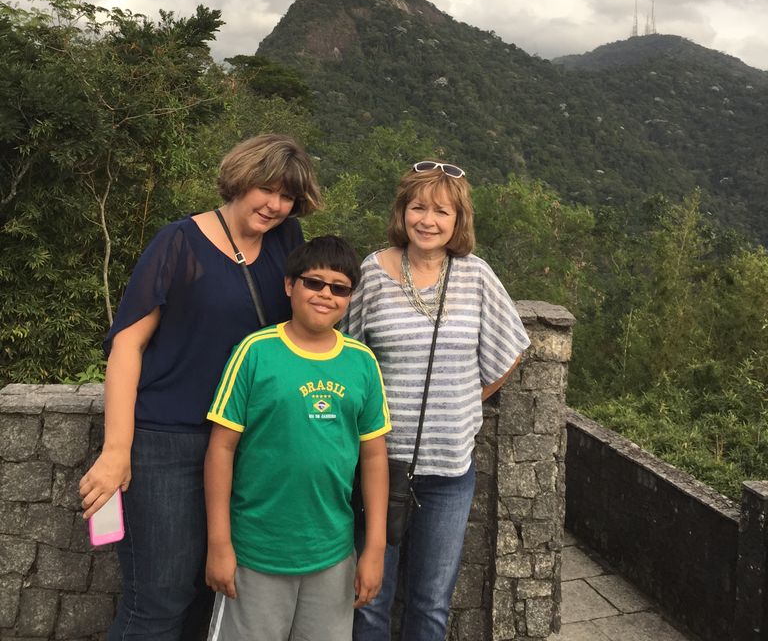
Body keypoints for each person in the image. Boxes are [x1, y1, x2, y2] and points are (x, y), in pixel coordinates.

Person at [78, 134, 322, 641]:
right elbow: (127, 345)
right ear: (241, 178)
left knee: (214, 594)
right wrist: (117, 450)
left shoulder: (287, 241)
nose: (275, 205)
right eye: (267, 189)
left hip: (247, 444)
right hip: (170, 442)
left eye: (287, 197)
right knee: (158, 600)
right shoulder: (178, 242)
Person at [345, 160, 531, 641]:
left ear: (458, 220)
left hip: (449, 471)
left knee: (430, 605)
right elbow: (343, 355)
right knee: (368, 600)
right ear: (402, 211)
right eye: (418, 207)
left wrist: (470, 399)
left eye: (442, 211)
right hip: (379, 465)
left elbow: (511, 348)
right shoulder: (372, 272)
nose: (428, 220)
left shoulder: (477, 276)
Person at [204, 235, 391, 641]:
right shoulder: (255, 352)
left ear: (350, 298)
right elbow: (221, 448)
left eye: (339, 288)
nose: (326, 295)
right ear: (290, 285)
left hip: (332, 555)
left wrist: (375, 548)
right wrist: (219, 543)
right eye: (314, 283)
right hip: (256, 553)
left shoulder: (362, 362)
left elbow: (374, 458)